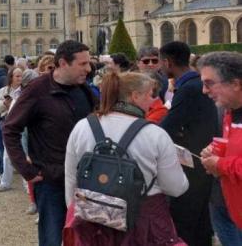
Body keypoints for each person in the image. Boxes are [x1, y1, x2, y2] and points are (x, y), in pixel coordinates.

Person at [64, 71, 188, 244]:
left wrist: (78, 214)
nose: (153, 100)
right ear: (135, 96)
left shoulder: (82, 127)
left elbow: (71, 179)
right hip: (143, 220)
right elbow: (175, 187)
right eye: (150, 95)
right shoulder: (155, 134)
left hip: (93, 220)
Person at [3, 40, 97, 246]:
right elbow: (10, 129)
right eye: (83, 64)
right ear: (63, 63)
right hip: (52, 180)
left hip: (86, 180)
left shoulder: (84, 90)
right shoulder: (37, 90)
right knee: (53, 238)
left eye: (88, 63)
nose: (88, 69)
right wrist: (26, 169)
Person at [159, 41, 217, 246]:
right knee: (200, 222)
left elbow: (168, 126)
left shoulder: (188, 88)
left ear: (167, 62)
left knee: (186, 222)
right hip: (202, 160)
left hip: (193, 165)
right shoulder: (195, 84)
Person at [198, 52, 242, 243]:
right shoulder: (228, 112)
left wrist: (220, 164)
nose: (204, 91)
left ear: (235, 84)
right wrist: (215, 150)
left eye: (209, 83)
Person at [0, 67, 23, 191]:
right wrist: (4, 104)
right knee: (7, 154)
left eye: (21, 76)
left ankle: (28, 186)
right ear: (11, 77)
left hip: (23, 125)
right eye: (17, 76)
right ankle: (6, 182)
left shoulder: (26, 91)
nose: (20, 79)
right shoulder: (2, 91)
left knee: (26, 154)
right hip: (8, 123)